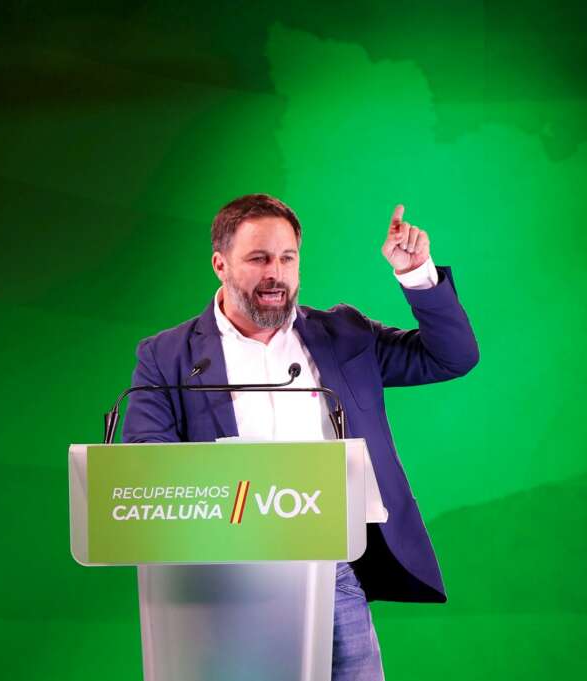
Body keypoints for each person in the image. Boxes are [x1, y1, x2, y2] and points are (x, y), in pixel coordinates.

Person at [122, 194, 479, 680]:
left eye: (288, 258)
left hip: (332, 573)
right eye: (259, 258)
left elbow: (451, 357)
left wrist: (417, 273)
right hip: (223, 577)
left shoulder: (344, 334)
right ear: (220, 264)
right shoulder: (166, 355)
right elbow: (146, 458)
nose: (277, 273)